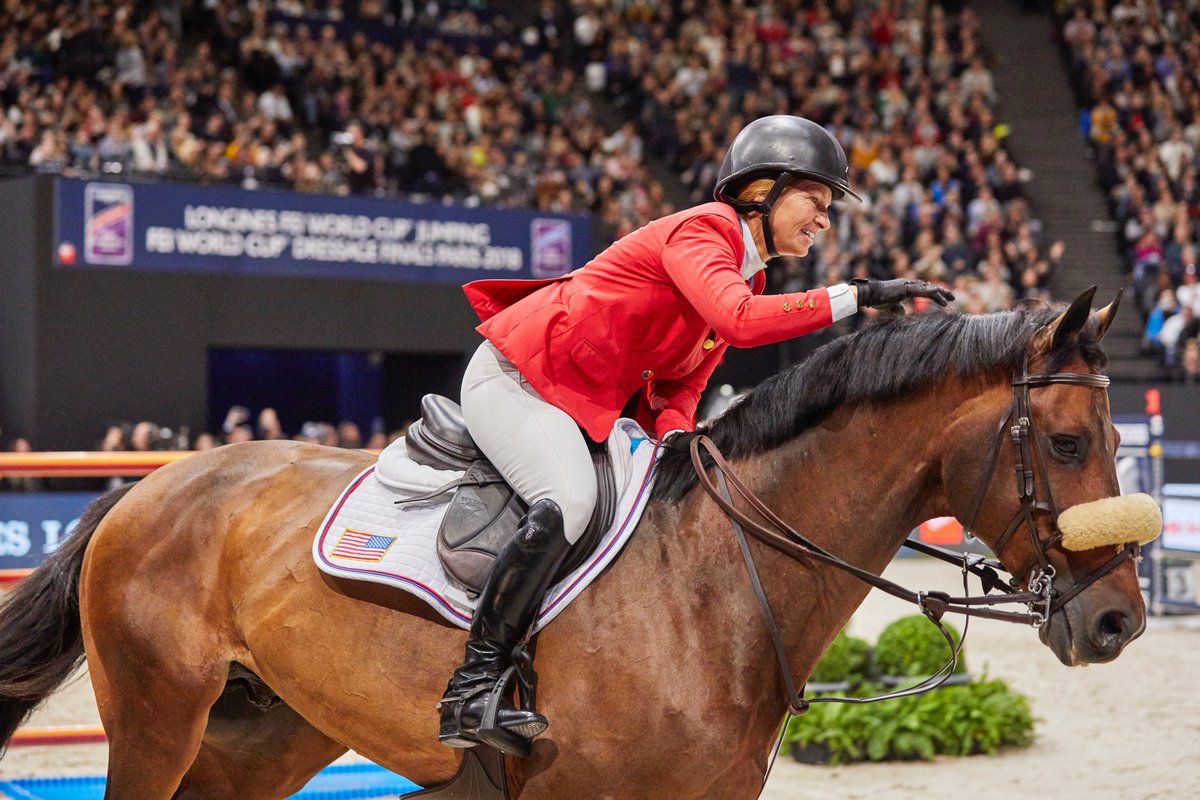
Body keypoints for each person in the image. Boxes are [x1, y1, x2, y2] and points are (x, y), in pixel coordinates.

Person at [437, 115, 953, 756]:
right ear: (762, 188)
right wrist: (858, 295)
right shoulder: (702, 230)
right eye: (814, 202)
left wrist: (680, 440)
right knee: (569, 499)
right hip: (520, 378)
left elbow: (675, 390)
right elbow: (737, 322)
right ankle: (473, 684)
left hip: (581, 404)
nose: (824, 220)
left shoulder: (750, 273)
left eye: (827, 209)